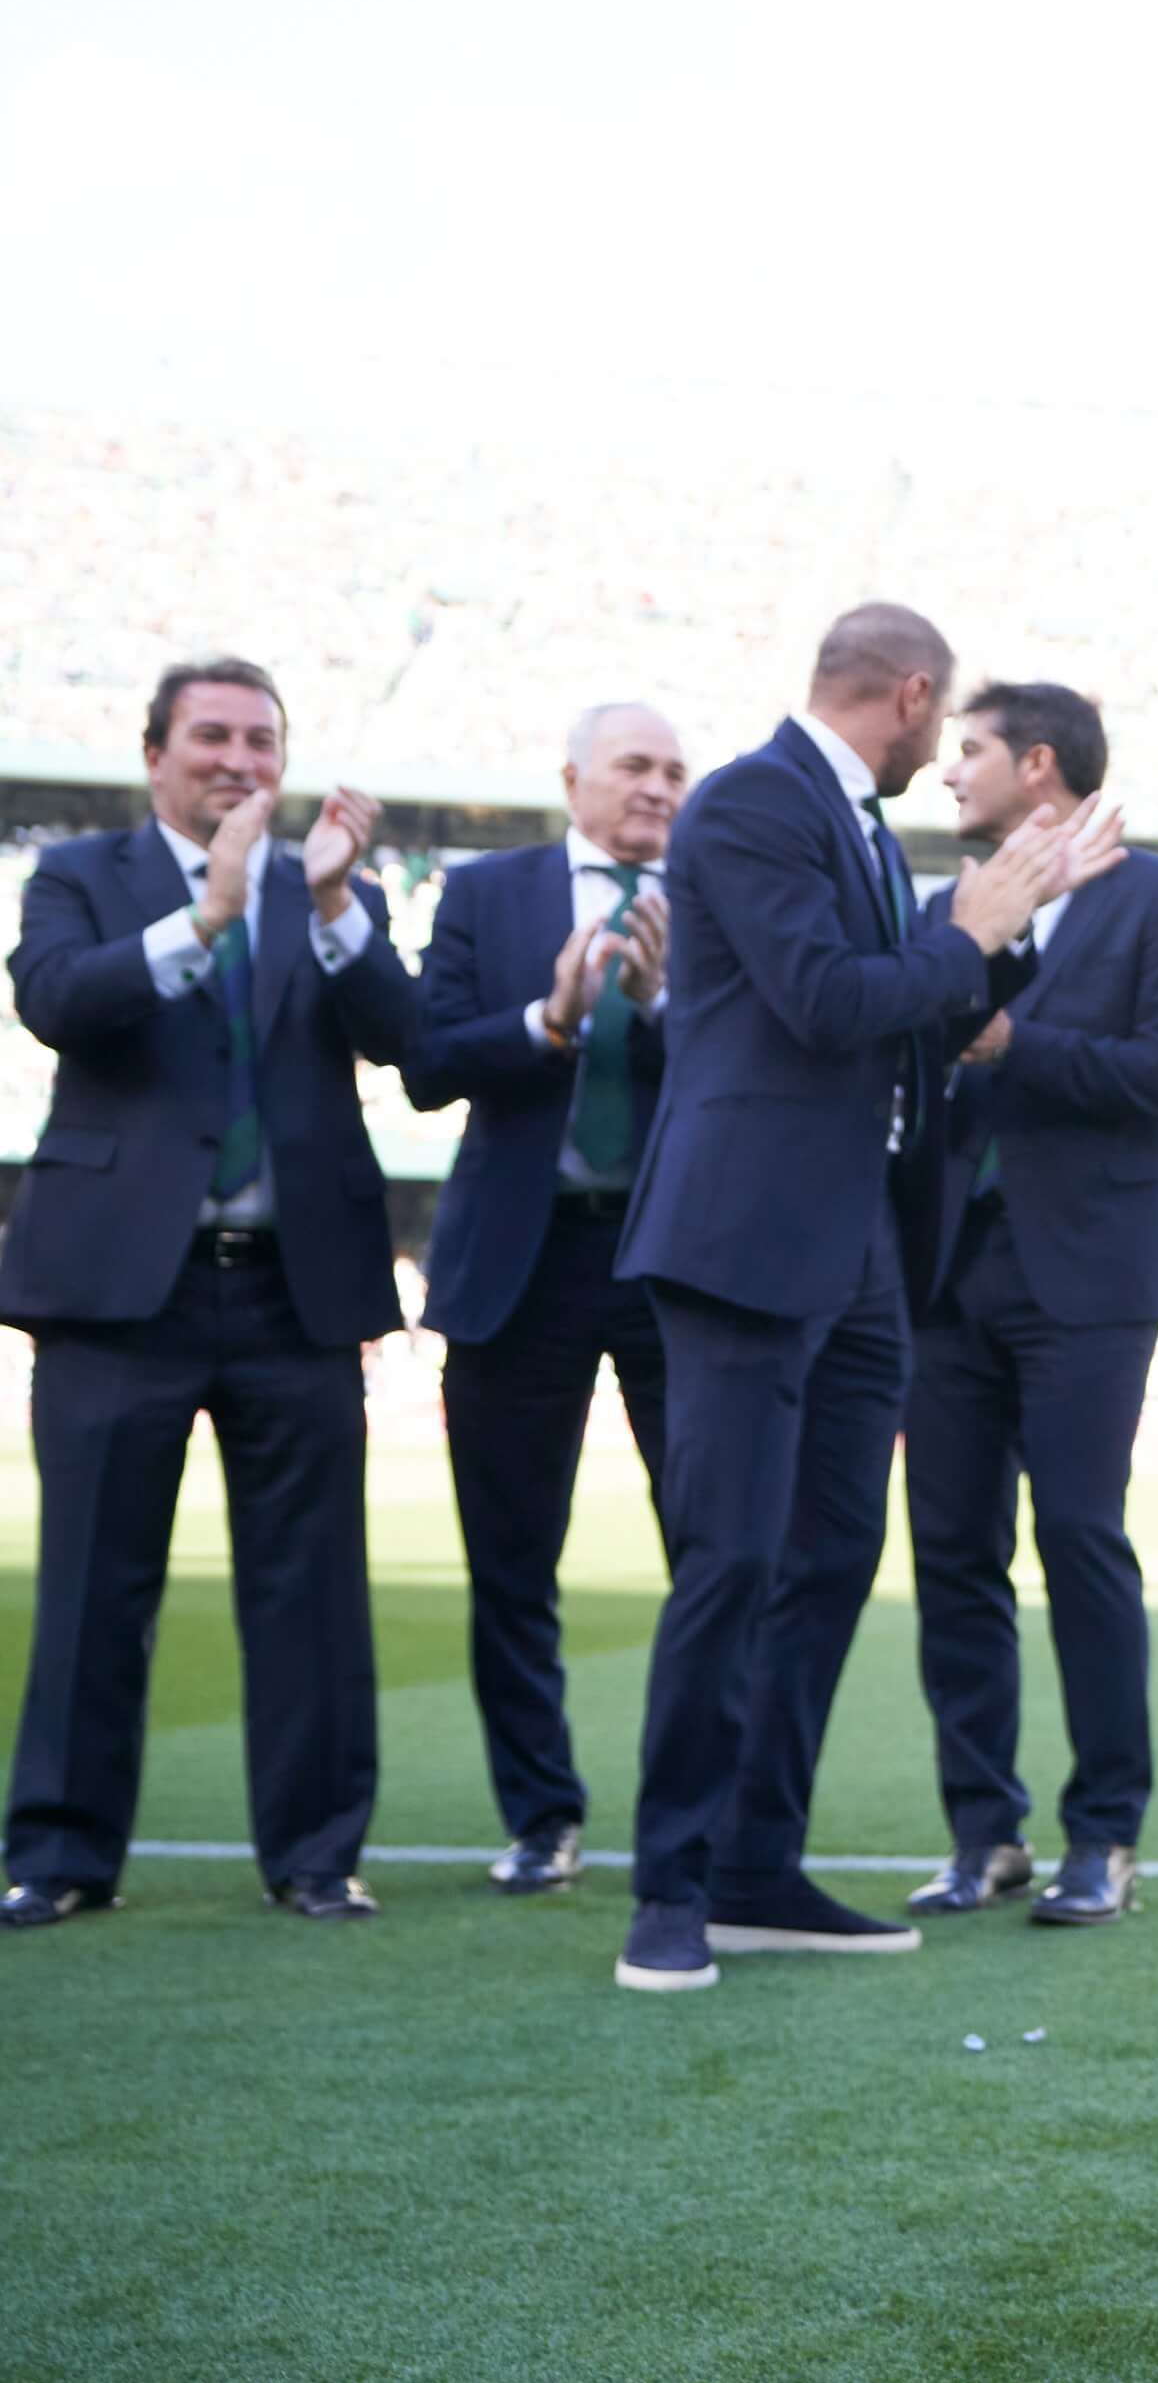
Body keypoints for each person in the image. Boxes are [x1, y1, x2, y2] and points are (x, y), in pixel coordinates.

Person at [609, 605, 1118, 1993]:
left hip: (856, 1255)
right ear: (907, 693)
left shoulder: (853, 825)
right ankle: (672, 1882)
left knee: (829, 1561)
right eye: (936, 721)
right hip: (744, 1239)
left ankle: (756, 1866)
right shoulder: (752, 800)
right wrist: (972, 926)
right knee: (729, 1559)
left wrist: (1007, 932)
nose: (938, 753)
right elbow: (829, 1000)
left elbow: (918, 1010)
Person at [2, 659, 412, 1927]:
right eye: (213, 736)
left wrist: (336, 905)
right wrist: (206, 915)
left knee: (311, 1591)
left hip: (295, 1292)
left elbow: (404, 1035)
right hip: (123, 1289)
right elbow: (56, 1001)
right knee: (92, 1586)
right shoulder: (83, 877)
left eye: (262, 740)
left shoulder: (329, 888)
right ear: (155, 753)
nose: (239, 760)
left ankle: (313, 1853)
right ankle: (63, 1855)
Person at [896, 684, 1158, 1926]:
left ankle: (1105, 1833)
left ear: (1039, 766)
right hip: (946, 1271)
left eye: (969, 750)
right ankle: (982, 1833)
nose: (947, 771)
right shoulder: (951, 910)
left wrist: (1008, 1044)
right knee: (949, 1556)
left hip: (1087, 1273)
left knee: (1081, 1540)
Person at [402, 700, 687, 1894]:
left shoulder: (717, 899)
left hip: (674, 1259)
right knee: (511, 1557)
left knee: (718, 1551)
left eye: (678, 771)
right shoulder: (489, 895)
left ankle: (705, 1813)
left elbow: (756, 1071)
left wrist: (667, 1007)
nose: (659, 788)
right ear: (572, 776)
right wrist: (550, 1020)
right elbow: (426, 1063)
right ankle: (540, 1815)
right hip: (522, 1265)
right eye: (636, 765)